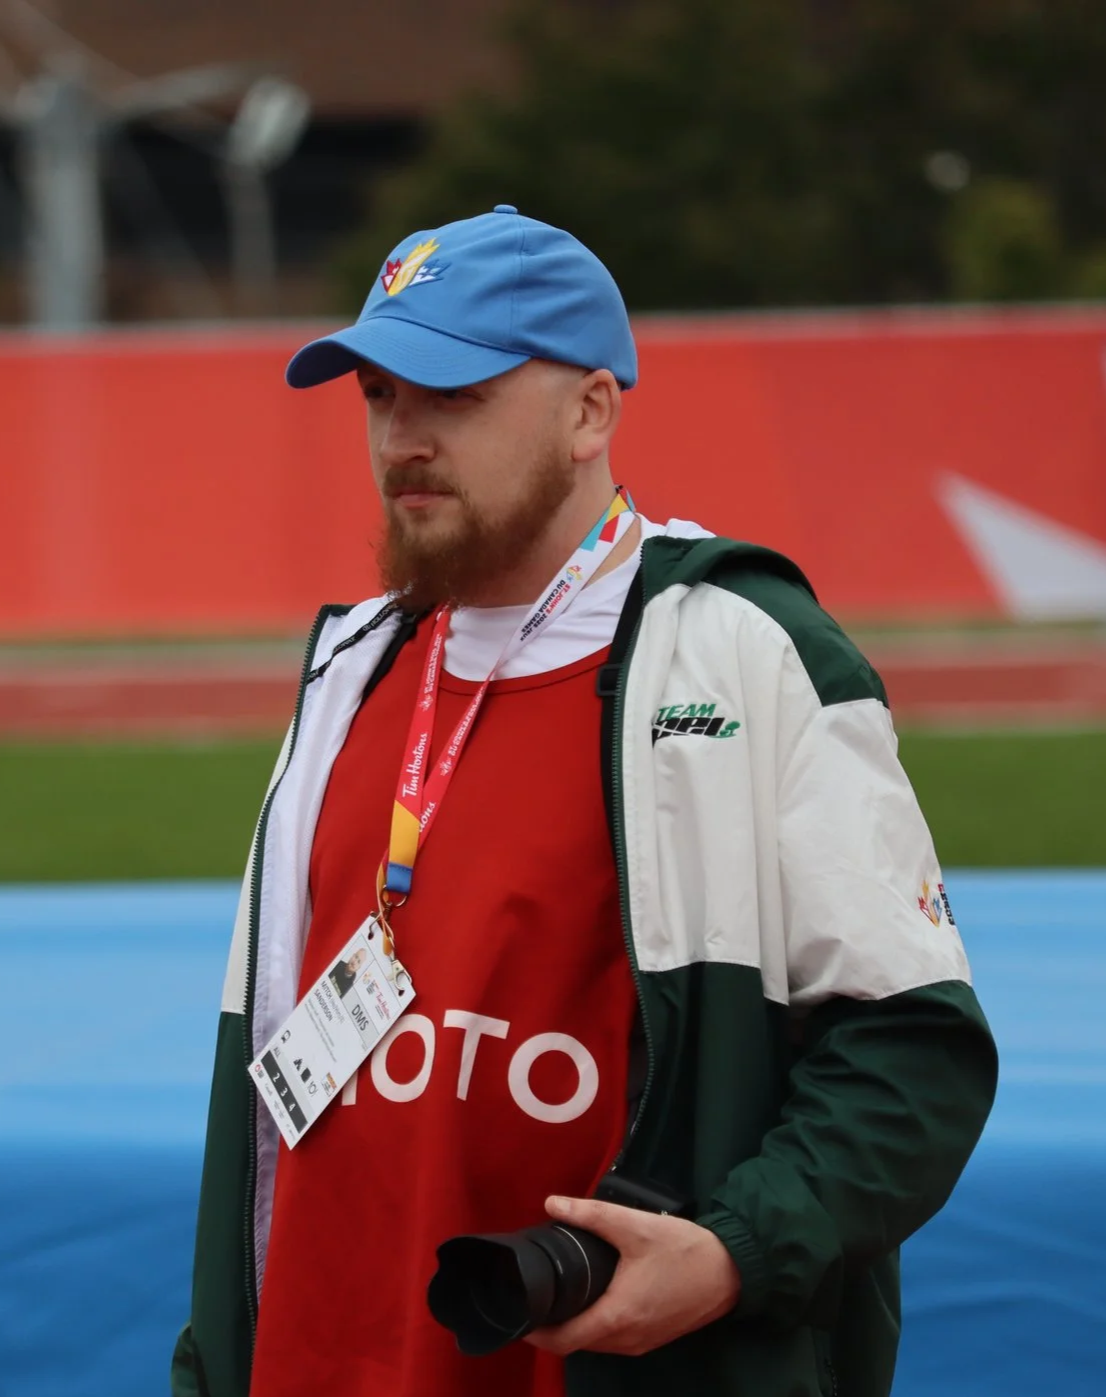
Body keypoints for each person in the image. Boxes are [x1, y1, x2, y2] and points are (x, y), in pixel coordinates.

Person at [173, 205, 997, 1397]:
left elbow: (914, 1053)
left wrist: (731, 1253)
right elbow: (259, 1131)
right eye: (378, 396)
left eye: (451, 394)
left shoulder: (748, 654)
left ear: (589, 410)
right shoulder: (349, 670)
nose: (402, 435)